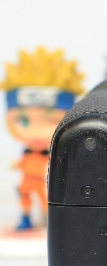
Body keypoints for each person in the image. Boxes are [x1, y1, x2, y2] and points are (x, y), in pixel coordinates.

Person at [2, 47, 84, 230]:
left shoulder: (55, 157)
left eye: (51, 121)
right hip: (27, 180)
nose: (36, 132)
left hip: (42, 182)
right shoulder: (27, 153)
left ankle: (48, 221)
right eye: (22, 120)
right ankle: (26, 218)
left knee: (45, 199)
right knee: (24, 198)